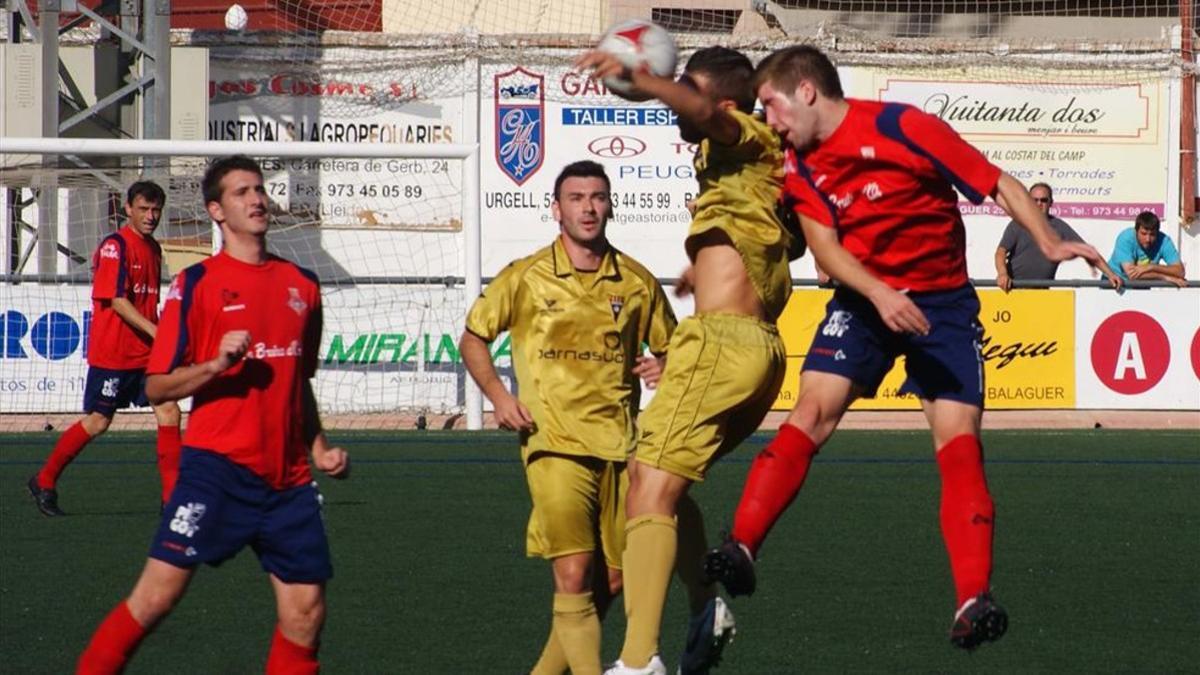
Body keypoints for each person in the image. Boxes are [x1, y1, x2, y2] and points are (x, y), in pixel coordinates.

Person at [703, 45, 1117, 653]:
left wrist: (1050, 243)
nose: (768, 118)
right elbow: (826, 250)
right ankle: (740, 546)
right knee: (811, 413)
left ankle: (974, 599)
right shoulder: (800, 165)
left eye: (771, 103)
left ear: (807, 91)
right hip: (865, 301)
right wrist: (878, 293)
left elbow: (998, 184)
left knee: (958, 442)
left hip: (943, 306)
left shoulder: (904, 126)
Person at [76, 155, 349, 674]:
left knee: (307, 613)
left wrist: (318, 447)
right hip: (216, 470)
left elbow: (298, 382)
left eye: (259, 189)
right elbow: (157, 385)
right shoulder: (197, 284)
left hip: (288, 479)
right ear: (216, 210)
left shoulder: (303, 286)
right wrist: (215, 364)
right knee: (156, 598)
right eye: (242, 192)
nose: (257, 199)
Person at [576, 46, 799, 675]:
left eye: (689, 88)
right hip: (747, 346)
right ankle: (704, 607)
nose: (679, 96)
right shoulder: (731, 167)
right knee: (660, 483)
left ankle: (638, 658)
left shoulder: (744, 135)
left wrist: (644, 79)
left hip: (722, 343)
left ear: (722, 104)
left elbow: (707, 110)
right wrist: (699, 268)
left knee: (643, 491)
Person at [460, 160, 676, 675]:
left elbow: (672, 349)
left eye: (598, 197)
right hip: (552, 443)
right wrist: (497, 394)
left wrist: (662, 364)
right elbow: (474, 338)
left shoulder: (637, 281)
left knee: (615, 581)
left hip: (622, 448)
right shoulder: (527, 276)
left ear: (610, 206)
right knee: (574, 573)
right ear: (556, 209)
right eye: (576, 198)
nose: (588, 207)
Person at [28, 181, 182, 516]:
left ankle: (171, 500)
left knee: (169, 409)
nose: (150, 216)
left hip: (145, 356)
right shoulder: (116, 246)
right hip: (114, 354)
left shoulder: (154, 249)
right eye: (143, 209)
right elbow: (118, 301)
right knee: (99, 421)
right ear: (127, 208)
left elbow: (147, 301)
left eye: (155, 210)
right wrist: (158, 331)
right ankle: (44, 479)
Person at [994, 182, 1117, 290]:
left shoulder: (1060, 227)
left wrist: (1111, 274)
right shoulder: (1018, 223)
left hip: (1043, 294)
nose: (1039, 204)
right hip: (1013, 291)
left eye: (1043, 200)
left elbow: (1087, 251)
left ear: (1051, 203)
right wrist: (1002, 274)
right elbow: (1001, 252)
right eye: (1034, 200)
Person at [1108, 211, 1187, 287]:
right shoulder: (1126, 238)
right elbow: (1132, 275)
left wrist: (1151, 267)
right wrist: (1164, 277)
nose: (1148, 239)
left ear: (1158, 232)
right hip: (1114, 284)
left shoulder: (1164, 241)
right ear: (1136, 231)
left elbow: (1180, 271)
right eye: (1143, 234)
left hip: (1142, 287)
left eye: (1152, 234)